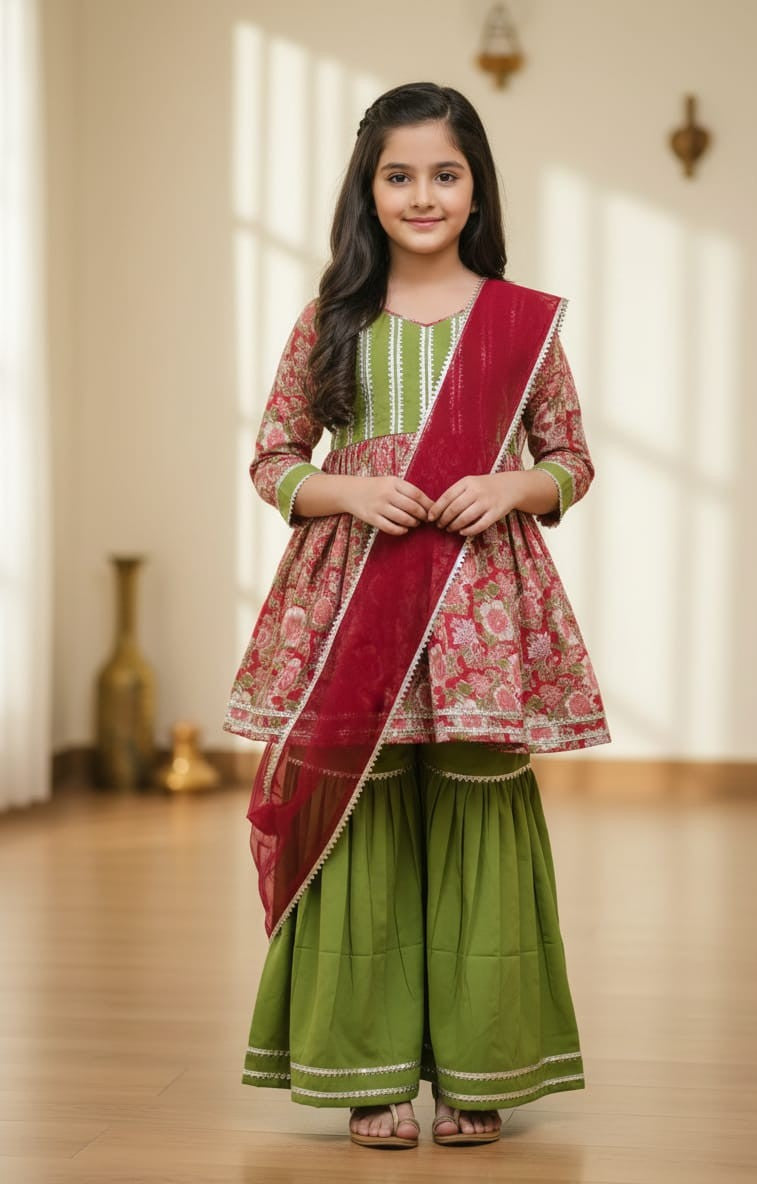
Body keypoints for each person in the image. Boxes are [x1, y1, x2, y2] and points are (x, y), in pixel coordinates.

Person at [224, 81, 610, 1150]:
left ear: (476, 186)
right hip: (355, 600)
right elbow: (272, 459)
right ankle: (370, 1072)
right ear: (369, 187)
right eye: (400, 174)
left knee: (481, 809)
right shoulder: (330, 318)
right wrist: (346, 488)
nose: (423, 193)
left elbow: (571, 457)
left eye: (445, 173)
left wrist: (514, 486)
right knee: (362, 815)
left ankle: (482, 1066)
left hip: (483, 607)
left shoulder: (520, 320)